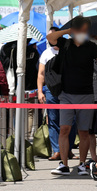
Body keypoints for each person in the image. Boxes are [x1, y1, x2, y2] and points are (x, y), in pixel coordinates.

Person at [46, 16, 97, 177]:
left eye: (86, 30)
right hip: (66, 94)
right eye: (81, 30)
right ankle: (64, 164)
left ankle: (82, 164)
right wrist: (68, 31)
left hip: (86, 94)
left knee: (84, 131)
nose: (84, 33)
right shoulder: (65, 44)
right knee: (64, 128)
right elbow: (50, 38)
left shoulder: (91, 47)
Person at [37, 28, 76, 161]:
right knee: (53, 120)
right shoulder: (46, 53)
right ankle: (57, 150)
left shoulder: (69, 50)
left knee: (71, 120)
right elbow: (41, 74)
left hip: (69, 90)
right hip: (51, 90)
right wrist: (40, 91)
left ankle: (68, 149)